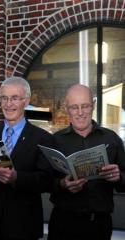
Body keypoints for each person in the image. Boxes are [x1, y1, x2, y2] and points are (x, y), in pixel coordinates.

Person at [0, 76, 54, 240]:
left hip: (23, 226)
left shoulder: (42, 138)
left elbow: (47, 180)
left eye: (15, 98)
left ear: (26, 101)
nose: (8, 104)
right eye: (4, 98)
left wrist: (17, 178)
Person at [47, 84, 125, 240]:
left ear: (94, 105)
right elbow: (43, 181)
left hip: (99, 226)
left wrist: (119, 177)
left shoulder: (111, 139)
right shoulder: (54, 141)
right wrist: (62, 184)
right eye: (74, 107)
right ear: (66, 108)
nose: (80, 113)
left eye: (85, 106)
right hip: (62, 224)